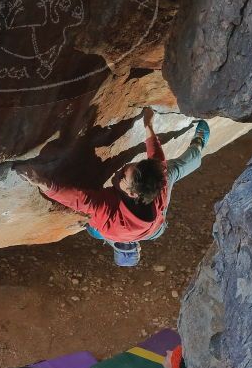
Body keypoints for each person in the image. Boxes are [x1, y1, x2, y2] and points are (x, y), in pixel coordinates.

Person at [15, 107, 210, 267]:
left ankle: (198, 147)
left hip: (148, 231)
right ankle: (198, 145)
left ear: (132, 192)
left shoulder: (108, 212)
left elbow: (80, 199)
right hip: (146, 228)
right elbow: (157, 161)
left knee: (94, 228)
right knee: (171, 172)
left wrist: (42, 182)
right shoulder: (158, 184)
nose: (121, 169)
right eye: (128, 167)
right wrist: (148, 126)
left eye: (123, 175)